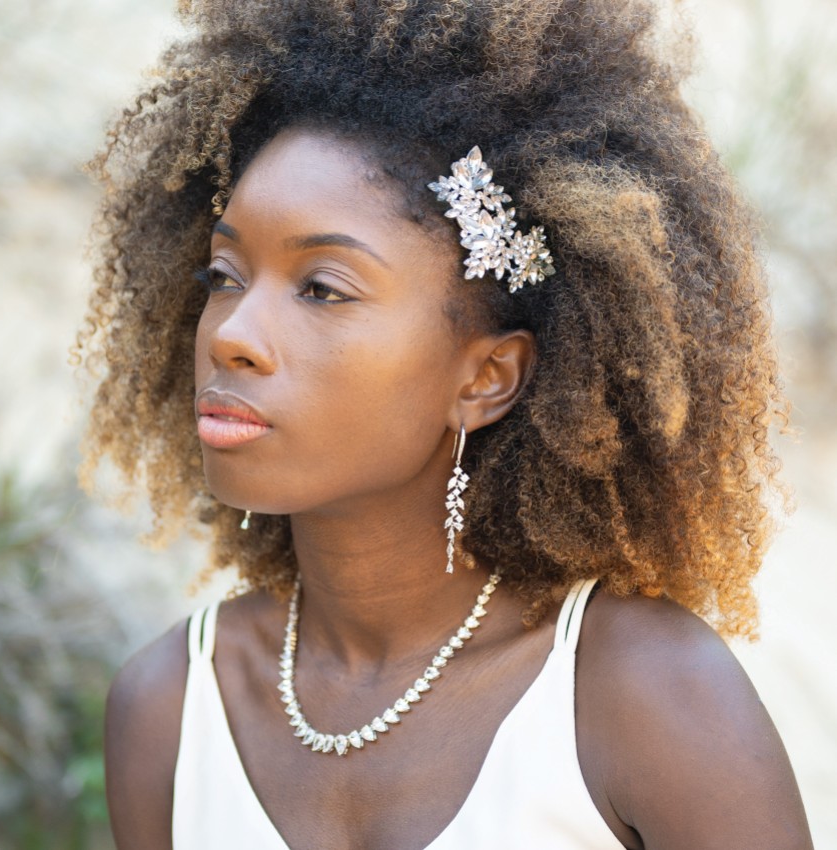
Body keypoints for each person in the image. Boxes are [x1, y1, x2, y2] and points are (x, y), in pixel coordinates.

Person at [79, 0, 814, 847]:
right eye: (223, 274)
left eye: (323, 288)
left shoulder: (642, 699)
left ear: (486, 378)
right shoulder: (171, 708)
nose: (233, 336)